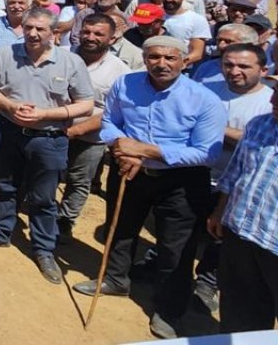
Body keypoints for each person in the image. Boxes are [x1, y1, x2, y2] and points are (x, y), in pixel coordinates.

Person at [72, 36, 227, 340]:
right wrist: (122, 148)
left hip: (181, 181)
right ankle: (115, 279)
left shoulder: (204, 99)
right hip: (128, 169)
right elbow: (110, 122)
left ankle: (169, 310)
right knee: (121, 229)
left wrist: (144, 151)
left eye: (170, 58)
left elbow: (207, 152)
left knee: (175, 248)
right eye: (154, 57)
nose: (161, 64)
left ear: (184, 61)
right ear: (145, 59)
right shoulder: (125, 84)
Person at [0, 7, 95, 285]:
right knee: (4, 185)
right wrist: (9, 105)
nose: (33, 34)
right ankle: (0, 231)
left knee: (44, 196)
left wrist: (46, 115)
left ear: (54, 33)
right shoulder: (6, 54)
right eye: (28, 28)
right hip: (8, 132)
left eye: (40, 29)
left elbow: (86, 104)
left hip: (48, 139)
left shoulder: (71, 62)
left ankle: (43, 249)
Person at [192, 43, 272, 313]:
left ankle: (206, 282)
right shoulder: (260, 123)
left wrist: (212, 129)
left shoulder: (264, 105)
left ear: (263, 70)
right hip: (213, 188)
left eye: (243, 66)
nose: (234, 71)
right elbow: (239, 168)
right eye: (228, 65)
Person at [207, 79, 278, 333]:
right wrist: (220, 211)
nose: (272, 101)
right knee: (239, 310)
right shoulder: (260, 125)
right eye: (276, 93)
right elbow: (235, 172)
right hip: (240, 232)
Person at [58, 14, 130, 243]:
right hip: (52, 130)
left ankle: (64, 221)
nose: (90, 37)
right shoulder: (62, 56)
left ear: (112, 38)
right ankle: (41, 212)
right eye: (86, 31)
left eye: (98, 34)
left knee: (79, 181)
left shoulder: (121, 71)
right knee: (45, 173)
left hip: (90, 138)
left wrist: (76, 131)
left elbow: (114, 112)